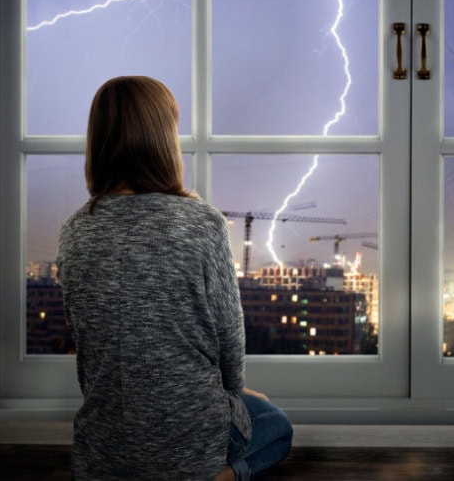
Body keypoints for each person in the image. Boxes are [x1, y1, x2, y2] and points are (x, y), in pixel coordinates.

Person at [57, 75, 293, 480]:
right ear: (164, 140)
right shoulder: (202, 223)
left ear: (97, 141)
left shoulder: (74, 229)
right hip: (188, 444)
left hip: (102, 450)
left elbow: (85, 340)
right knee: (275, 426)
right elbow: (229, 338)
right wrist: (233, 394)